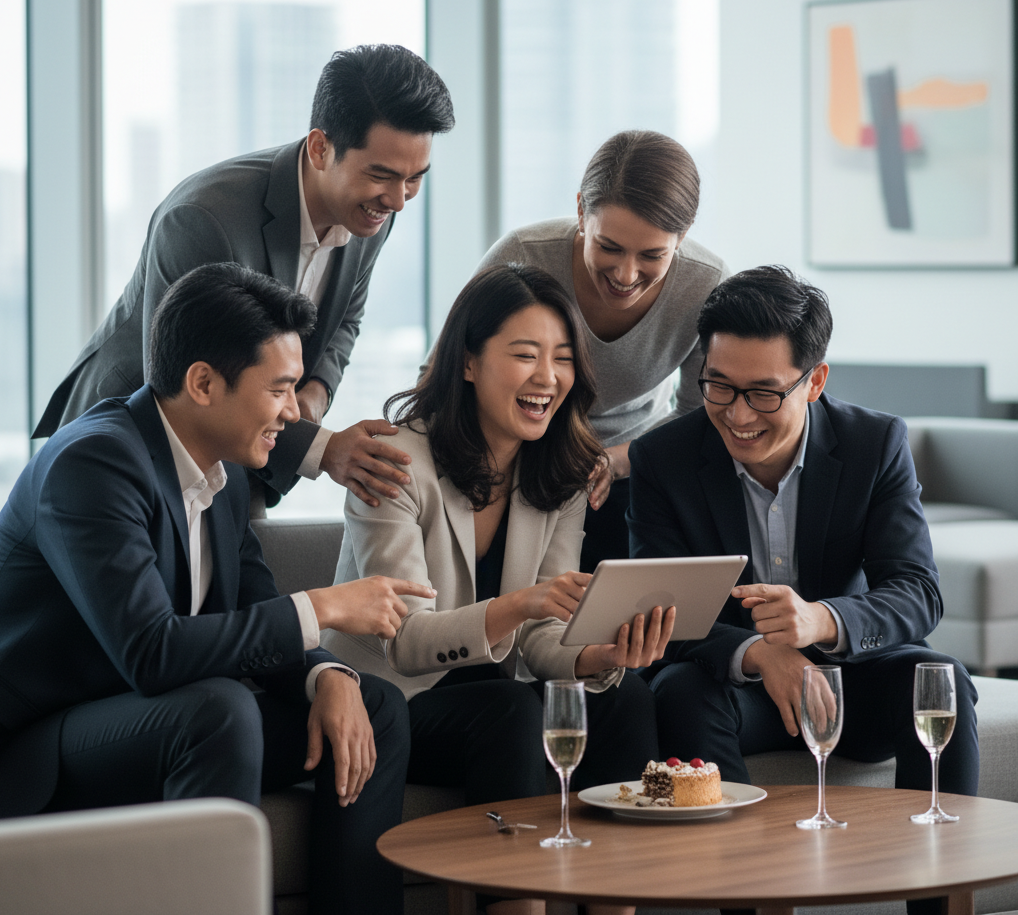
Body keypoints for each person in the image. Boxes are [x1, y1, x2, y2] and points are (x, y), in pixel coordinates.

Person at [0, 262, 439, 915]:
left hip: (156, 720)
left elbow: (257, 612)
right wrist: (326, 606)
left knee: (370, 705)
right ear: (203, 382)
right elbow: (151, 652)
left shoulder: (221, 472)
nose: (295, 412)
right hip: (37, 745)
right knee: (218, 709)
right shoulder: (92, 463)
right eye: (281, 388)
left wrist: (326, 677)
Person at [628, 266, 978, 913]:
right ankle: (747, 896)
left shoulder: (875, 444)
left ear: (814, 381)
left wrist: (819, 621)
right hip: (740, 694)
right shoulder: (664, 459)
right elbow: (662, 613)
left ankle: (941, 899)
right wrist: (760, 654)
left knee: (942, 678)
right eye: (719, 387)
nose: (736, 415)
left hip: (849, 683)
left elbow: (917, 591)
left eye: (763, 394)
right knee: (678, 690)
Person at [326, 263, 672, 915]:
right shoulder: (394, 462)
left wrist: (596, 659)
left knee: (625, 700)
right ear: (467, 363)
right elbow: (401, 640)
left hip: (495, 695)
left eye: (563, 358)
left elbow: (542, 640)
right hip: (398, 702)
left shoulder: (560, 472)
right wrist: (520, 605)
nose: (548, 377)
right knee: (511, 712)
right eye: (525, 355)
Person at [33, 44, 455, 511]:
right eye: (383, 175)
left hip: (245, 452)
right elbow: (188, 395)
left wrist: (313, 395)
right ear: (320, 148)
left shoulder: (371, 213)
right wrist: (323, 448)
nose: (398, 200)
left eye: (416, 178)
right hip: (126, 455)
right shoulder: (203, 220)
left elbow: (344, 320)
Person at [472, 130, 728, 570]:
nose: (626, 275)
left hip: (630, 463)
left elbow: (700, 414)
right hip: (512, 458)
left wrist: (620, 459)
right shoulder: (523, 256)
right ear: (581, 213)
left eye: (652, 255)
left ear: (682, 236)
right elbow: (449, 368)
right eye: (608, 247)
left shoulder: (707, 285)